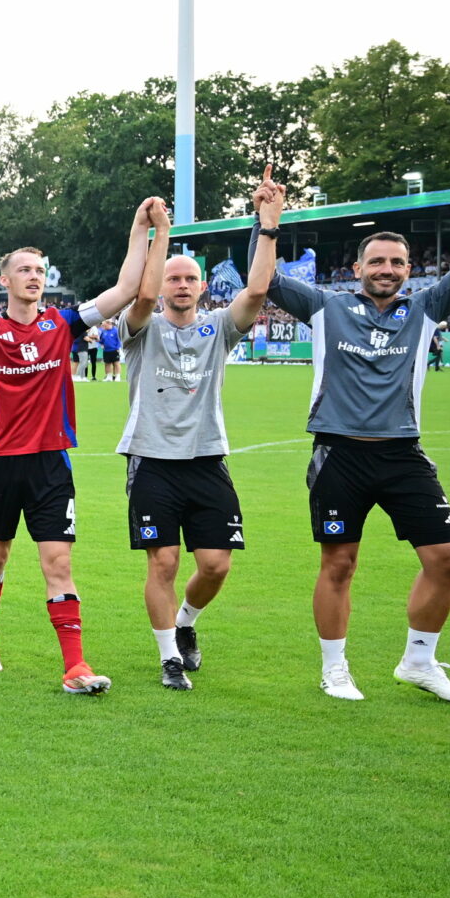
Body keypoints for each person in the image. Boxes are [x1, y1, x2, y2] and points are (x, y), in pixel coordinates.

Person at [268, 144, 450, 703]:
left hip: (402, 453)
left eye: (397, 263)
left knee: (447, 559)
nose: (388, 270)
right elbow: (267, 282)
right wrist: (267, 225)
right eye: (377, 262)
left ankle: (418, 662)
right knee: (340, 563)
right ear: (358, 269)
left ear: (408, 270)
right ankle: (335, 668)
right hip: (339, 456)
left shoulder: (424, 307)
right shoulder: (327, 305)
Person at [0, 193, 158, 693]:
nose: (33, 275)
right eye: (23, 269)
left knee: (59, 563)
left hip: (50, 464)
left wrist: (139, 227)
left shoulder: (62, 324)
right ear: (5, 281)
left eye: (39, 269)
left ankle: (75, 667)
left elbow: (128, 288)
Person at [120, 188, 275, 690]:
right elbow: (141, 297)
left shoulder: (218, 328)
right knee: (162, 561)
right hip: (152, 459)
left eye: (189, 278)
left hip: (207, 458)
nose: (181, 285)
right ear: (161, 283)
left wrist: (267, 224)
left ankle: (185, 622)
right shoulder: (139, 328)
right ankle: (168, 658)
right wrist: (158, 232)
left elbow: (255, 293)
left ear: (203, 286)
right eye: (172, 277)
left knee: (215, 565)